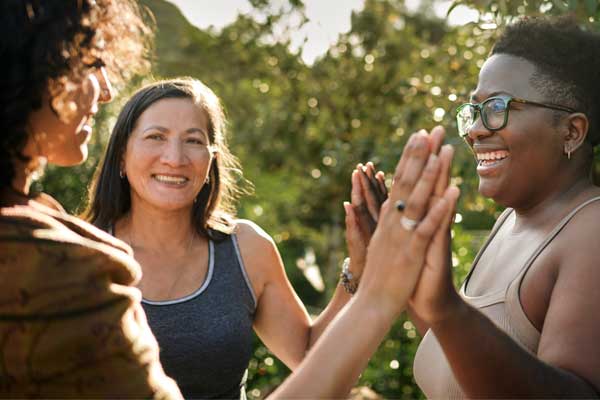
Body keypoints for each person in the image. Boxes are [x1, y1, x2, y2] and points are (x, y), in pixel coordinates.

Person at [85, 77, 437, 398]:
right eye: (156, 137)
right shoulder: (77, 255)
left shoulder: (245, 248)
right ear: (121, 155)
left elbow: (310, 357)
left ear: (211, 162)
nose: (175, 158)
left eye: (193, 141)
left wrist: (360, 268)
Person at [386, 16, 600, 398]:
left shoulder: (592, 232)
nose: (474, 130)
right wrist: (405, 276)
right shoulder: (507, 224)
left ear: (571, 131)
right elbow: (456, 356)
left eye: (497, 107)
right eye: (473, 111)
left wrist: (448, 308)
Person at [0, 0, 182, 397]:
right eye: (91, 62)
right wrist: (356, 310)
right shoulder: (61, 268)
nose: (107, 92)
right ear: (35, 66)